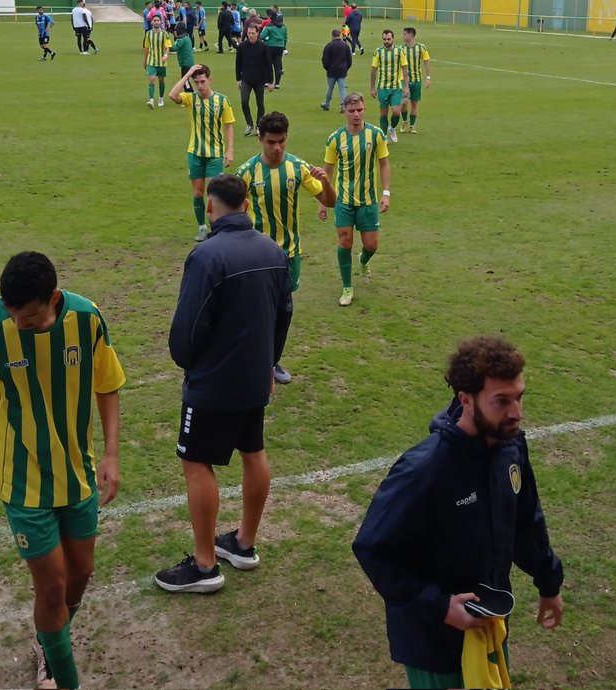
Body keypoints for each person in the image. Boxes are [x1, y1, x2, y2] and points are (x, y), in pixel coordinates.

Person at [0, 251, 125, 690]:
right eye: (14, 316)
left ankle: (49, 640)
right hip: (22, 483)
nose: (20, 325)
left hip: (77, 473)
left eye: (29, 317)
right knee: (51, 585)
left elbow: (108, 384)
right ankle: (65, 678)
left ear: (54, 298)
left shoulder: (87, 317)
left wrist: (112, 454)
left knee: (80, 574)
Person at [353, 335, 565, 689]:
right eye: (502, 401)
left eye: (519, 397)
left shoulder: (510, 447)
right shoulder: (424, 470)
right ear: (466, 400)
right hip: (436, 638)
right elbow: (374, 549)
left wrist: (549, 581)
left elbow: (526, 519)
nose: (516, 412)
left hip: (490, 623)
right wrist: (439, 606)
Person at [158, 174, 293, 593]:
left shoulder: (206, 256)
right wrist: (269, 364)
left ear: (211, 207)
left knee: (197, 462)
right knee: (253, 451)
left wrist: (188, 363)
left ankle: (204, 566)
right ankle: (244, 544)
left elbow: (189, 327)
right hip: (255, 377)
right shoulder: (274, 250)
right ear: (247, 204)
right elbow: (284, 312)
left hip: (214, 382)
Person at [236, 111, 336, 383]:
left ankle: (270, 362)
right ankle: (253, 360)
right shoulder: (245, 172)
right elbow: (229, 211)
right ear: (260, 139)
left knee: (284, 311)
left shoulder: (297, 167)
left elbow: (330, 202)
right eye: (271, 142)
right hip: (255, 257)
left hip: (288, 255)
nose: (277, 148)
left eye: (281, 141)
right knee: (258, 311)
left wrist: (326, 181)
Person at [319, 93, 389, 307]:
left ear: (364, 109)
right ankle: (347, 287)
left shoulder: (376, 135)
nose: (356, 114)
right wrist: (322, 200)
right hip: (343, 201)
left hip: (368, 201)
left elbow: (384, 164)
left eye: (359, 110)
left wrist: (385, 193)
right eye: (351, 111)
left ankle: (363, 260)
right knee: (345, 242)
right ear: (344, 112)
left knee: (372, 244)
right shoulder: (334, 139)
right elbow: (327, 173)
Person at [169, 63, 235, 241]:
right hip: (195, 153)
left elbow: (228, 126)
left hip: (214, 154)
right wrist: (188, 73)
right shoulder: (191, 99)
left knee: (214, 194)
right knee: (198, 193)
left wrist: (230, 150)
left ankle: (217, 227)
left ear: (210, 80)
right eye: (196, 82)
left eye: (202, 81)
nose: (199, 85)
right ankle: (202, 227)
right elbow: (172, 95)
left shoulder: (222, 100)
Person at [370, 29, 410, 143]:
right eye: (384, 39)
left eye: (388, 39)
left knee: (397, 112)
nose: (386, 41)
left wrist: (406, 86)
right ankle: (384, 137)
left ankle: (392, 128)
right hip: (382, 87)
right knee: (383, 113)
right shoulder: (378, 52)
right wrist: (372, 87)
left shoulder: (399, 51)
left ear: (393, 39)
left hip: (396, 88)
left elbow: (405, 69)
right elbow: (374, 70)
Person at [234, 23, 274, 136]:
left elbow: (268, 65)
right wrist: (238, 79)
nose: (250, 35)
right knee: (244, 100)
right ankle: (249, 124)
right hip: (246, 79)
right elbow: (238, 63)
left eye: (252, 33)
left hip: (259, 80)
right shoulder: (242, 47)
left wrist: (270, 82)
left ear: (257, 34)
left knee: (260, 103)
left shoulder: (263, 47)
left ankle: (259, 126)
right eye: (248, 33)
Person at [399, 27, 431, 133]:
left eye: (404, 34)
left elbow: (426, 62)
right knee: (403, 102)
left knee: (414, 104)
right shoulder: (401, 49)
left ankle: (412, 126)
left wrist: (428, 78)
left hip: (417, 80)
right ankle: (404, 121)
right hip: (404, 80)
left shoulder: (421, 48)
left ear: (411, 35)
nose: (403, 36)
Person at [143, 13, 173, 108]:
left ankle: (161, 98)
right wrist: (145, 61)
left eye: (158, 20)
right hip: (152, 61)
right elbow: (147, 48)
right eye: (154, 20)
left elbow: (168, 46)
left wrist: (165, 55)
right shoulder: (148, 34)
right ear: (152, 22)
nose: (156, 22)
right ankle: (151, 100)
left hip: (161, 62)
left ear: (161, 22)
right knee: (152, 79)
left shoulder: (164, 34)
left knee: (161, 80)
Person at [321, 28, 353, 112]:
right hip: (342, 71)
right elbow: (349, 60)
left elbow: (325, 60)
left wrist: (327, 68)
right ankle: (343, 106)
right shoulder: (345, 45)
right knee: (342, 89)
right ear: (339, 35)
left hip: (331, 71)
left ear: (332, 35)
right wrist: (346, 68)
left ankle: (327, 104)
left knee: (330, 88)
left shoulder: (329, 46)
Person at [259, 12, 287, 89]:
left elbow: (262, 36)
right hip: (280, 47)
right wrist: (284, 46)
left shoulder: (269, 27)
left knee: (268, 64)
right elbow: (285, 38)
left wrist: (266, 39)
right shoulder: (283, 27)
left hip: (270, 47)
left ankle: (267, 82)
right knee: (278, 65)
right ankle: (277, 84)